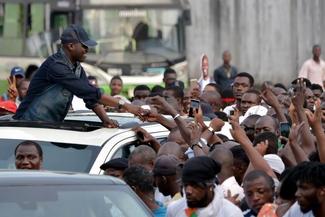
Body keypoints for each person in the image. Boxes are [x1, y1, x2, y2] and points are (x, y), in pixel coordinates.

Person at [12, 24, 141, 126]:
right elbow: (86, 91)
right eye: (84, 46)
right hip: (27, 124)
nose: (87, 50)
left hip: (47, 126)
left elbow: (91, 99)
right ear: (71, 46)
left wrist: (105, 119)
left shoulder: (77, 68)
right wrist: (126, 105)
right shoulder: (56, 66)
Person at [166, 156, 243, 217]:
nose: (188, 191)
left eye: (195, 185)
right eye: (185, 185)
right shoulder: (174, 209)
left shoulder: (230, 213)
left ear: (210, 186)